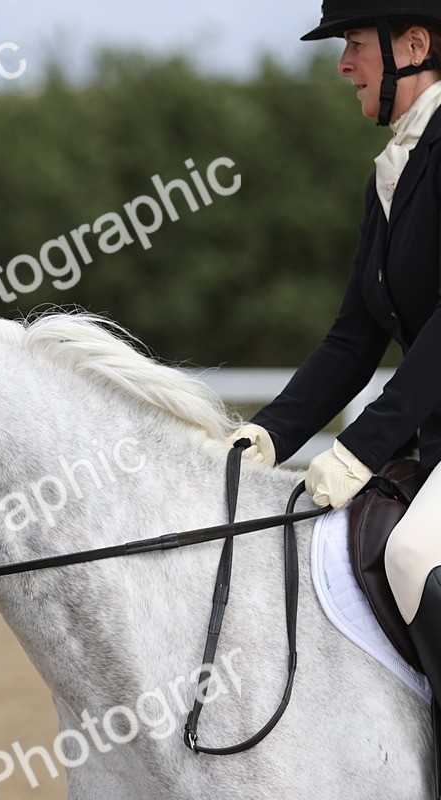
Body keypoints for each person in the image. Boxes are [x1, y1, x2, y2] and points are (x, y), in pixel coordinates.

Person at [229, 1, 441, 713]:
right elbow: (356, 335)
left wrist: (363, 445)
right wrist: (268, 434)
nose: (344, 64)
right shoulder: (395, 168)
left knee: (413, 556)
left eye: (355, 44)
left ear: (414, 43)